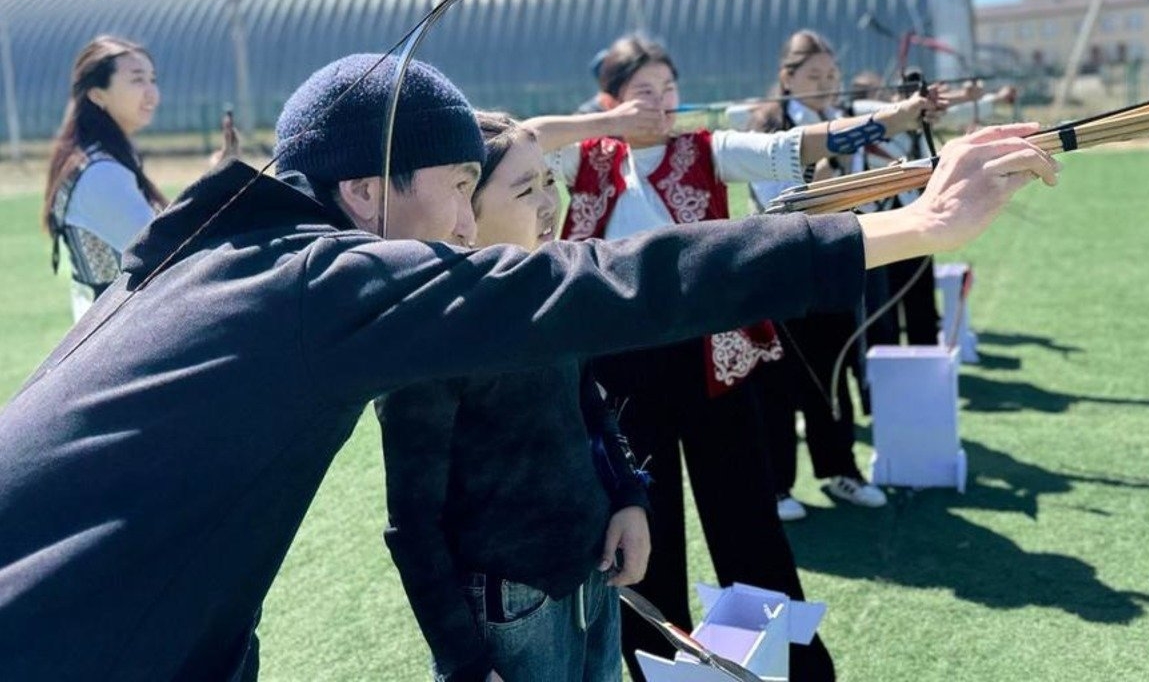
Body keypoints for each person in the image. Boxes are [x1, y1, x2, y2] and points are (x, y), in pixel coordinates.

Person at [0, 51, 1057, 682]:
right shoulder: (322, 283)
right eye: (458, 185)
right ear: (366, 193)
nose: (470, 221)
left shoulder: (211, 249)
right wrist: (914, 226)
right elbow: (612, 281)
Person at [524, 33, 950, 681]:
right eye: (643, 92)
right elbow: (523, 137)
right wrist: (604, 125)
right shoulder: (582, 161)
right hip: (618, 374)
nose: (661, 103)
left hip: (713, 362)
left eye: (669, 89)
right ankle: (662, 668)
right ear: (609, 100)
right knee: (641, 538)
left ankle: (791, 668)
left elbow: (794, 146)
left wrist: (893, 118)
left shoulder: (704, 148)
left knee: (748, 521)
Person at [376, 113, 649, 682]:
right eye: (525, 190)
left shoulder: (552, 286)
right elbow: (413, 525)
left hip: (594, 574)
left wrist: (629, 497)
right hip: (510, 609)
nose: (550, 202)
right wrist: (467, 665)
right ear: (463, 208)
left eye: (549, 180)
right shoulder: (432, 340)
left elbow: (592, 408)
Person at [749, 31, 921, 521]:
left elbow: (869, 198)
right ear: (786, 78)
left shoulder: (849, 124)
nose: (826, 84)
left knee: (834, 371)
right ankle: (777, 486)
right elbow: (774, 203)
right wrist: (823, 174)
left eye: (832, 75)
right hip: (781, 271)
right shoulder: (768, 128)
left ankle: (840, 469)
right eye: (814, 76)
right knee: (779, 383)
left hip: (835, 266)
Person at [42, 35, 166, 321]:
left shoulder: (100, 158)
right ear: (98, 95)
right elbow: (164, 249)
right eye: (137, 80)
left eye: (152, 79)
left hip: (115, 324)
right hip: (118, 329)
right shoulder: (100, 172)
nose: (151, 93)